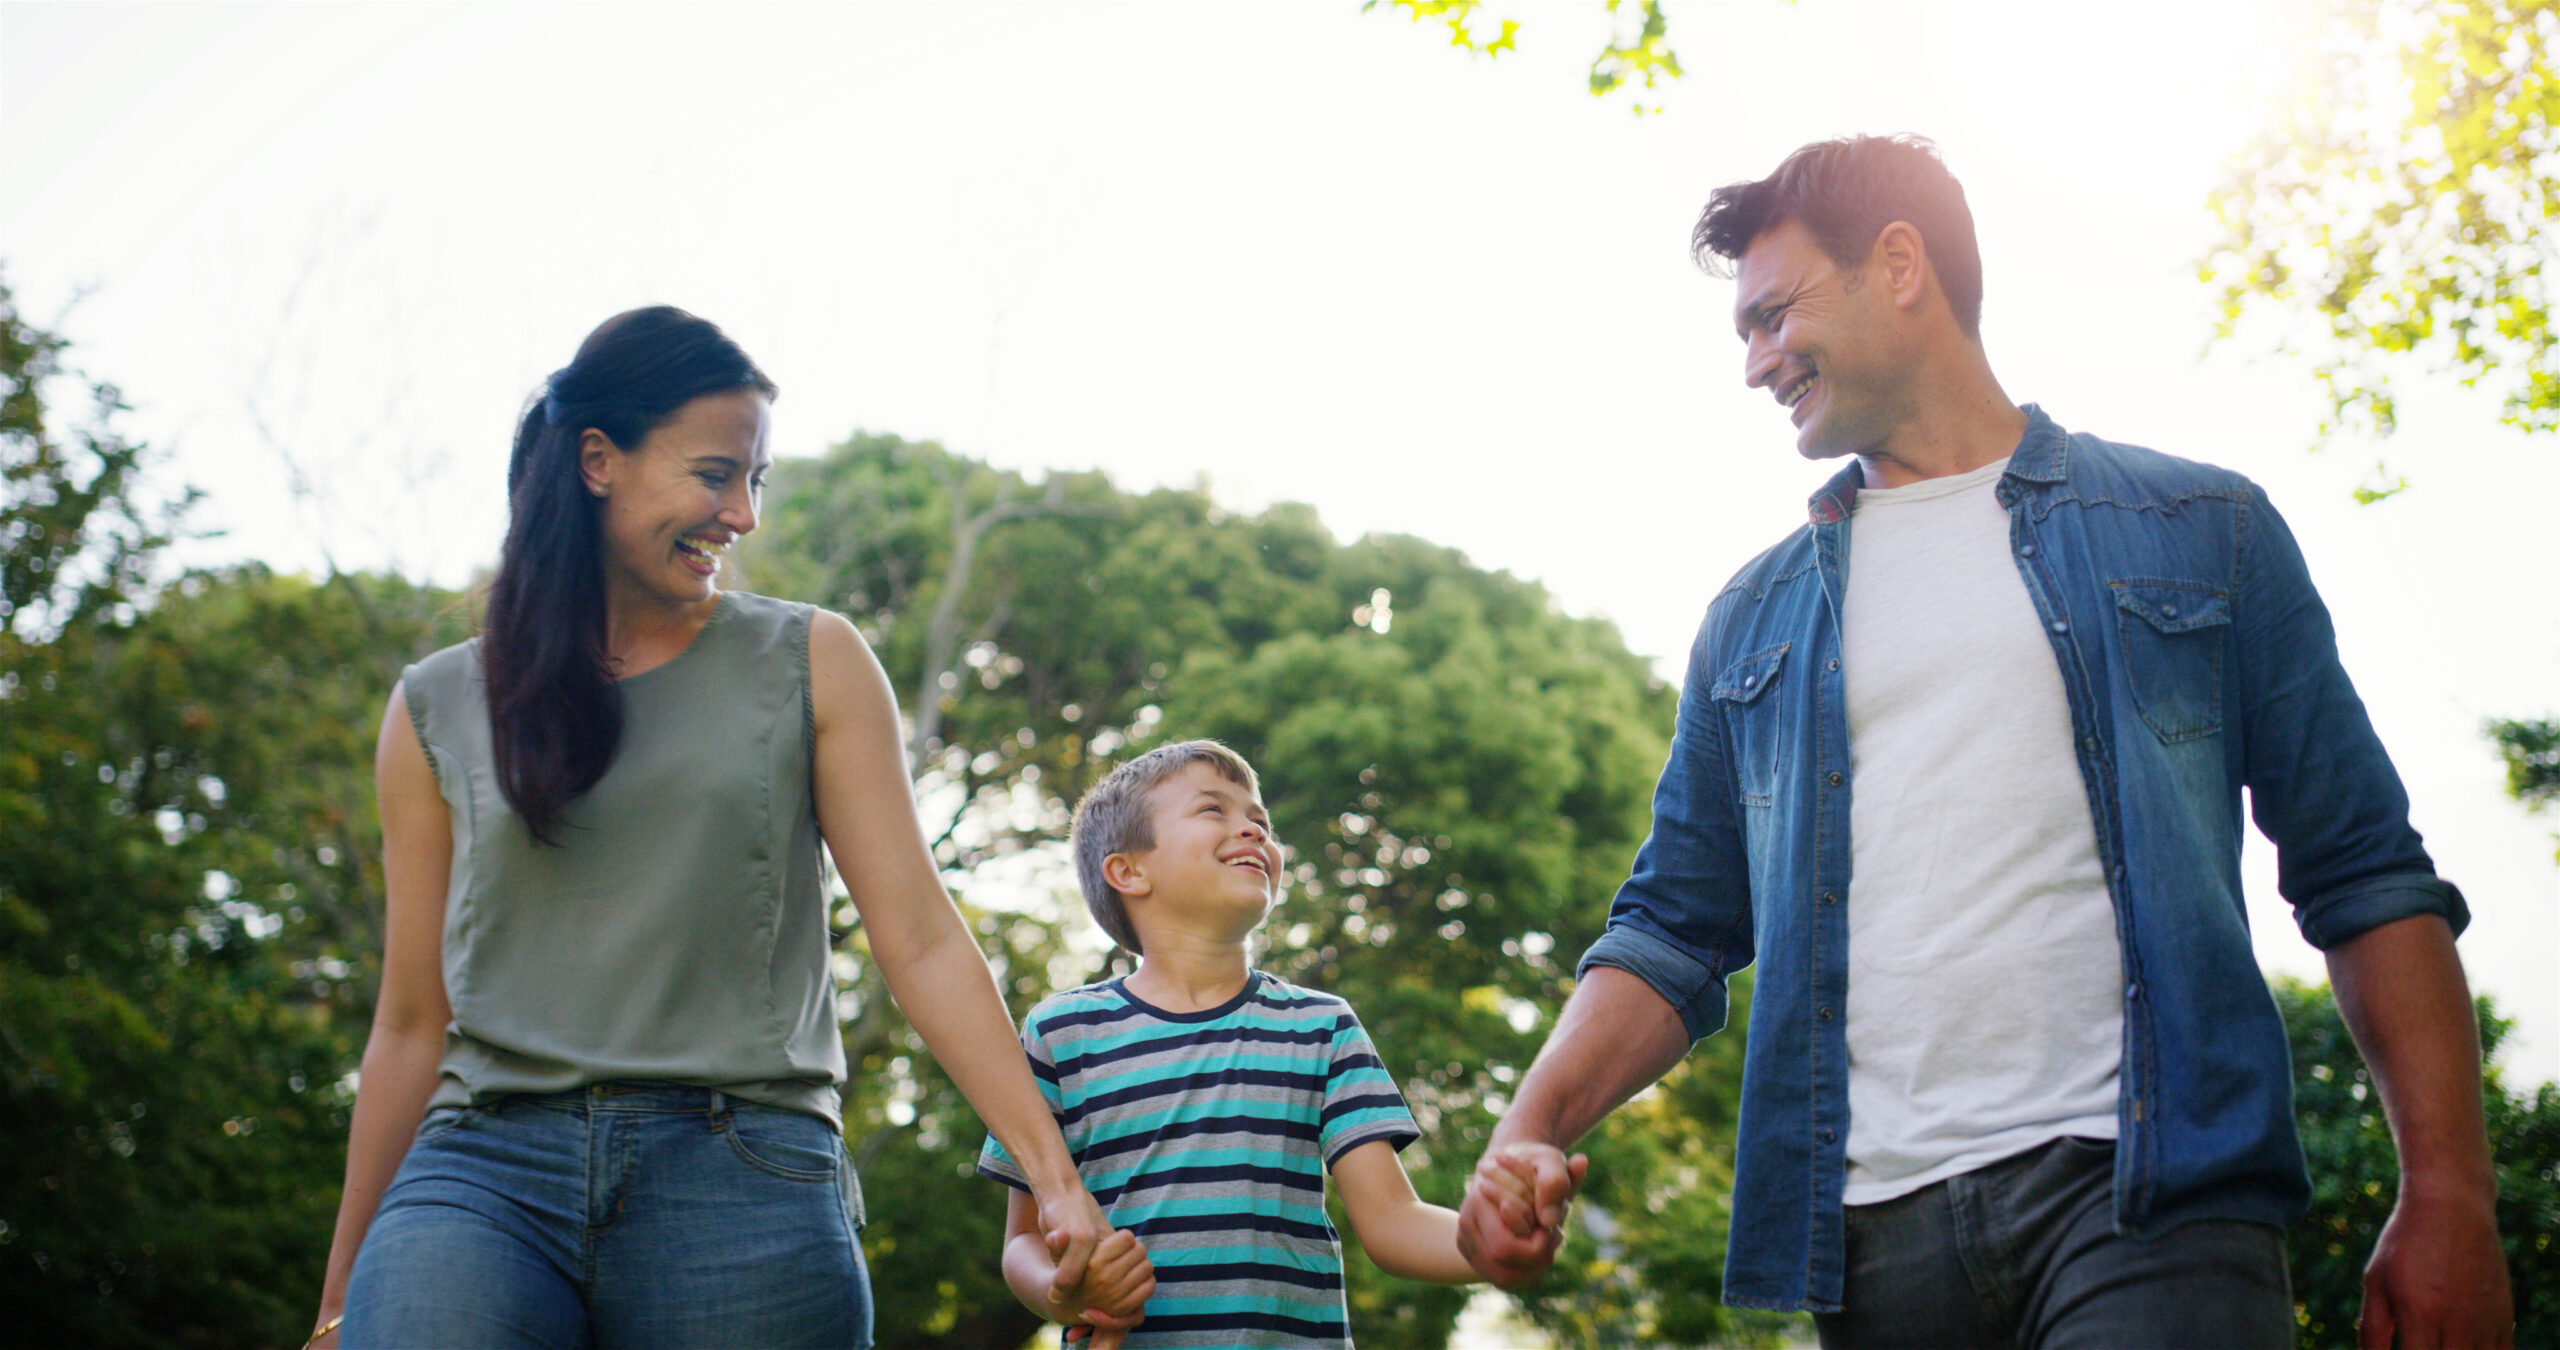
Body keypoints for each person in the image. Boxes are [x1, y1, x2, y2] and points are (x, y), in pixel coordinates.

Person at [1458, 136, 2512, 1348]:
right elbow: (1670, 929)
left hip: (2150, 1203)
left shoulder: (2197, 531)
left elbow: (2362, 871)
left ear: (1898, 264)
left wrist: (2446, 1196)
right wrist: (1527, 1128)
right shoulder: (1753, 622)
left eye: (1771, 315)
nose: (1754, 363)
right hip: (1869, 1246)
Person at [306, 306, 1143, 1349]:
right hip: (482, 1174)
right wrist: (342, 1296)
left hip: (739, 1171)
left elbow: (920, 938)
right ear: (598, 461)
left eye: (757, 480)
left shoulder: (810, 662)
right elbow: (408, 1021)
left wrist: (1056, 1184)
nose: (742, 513)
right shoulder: (436, 705)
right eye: (715, 474)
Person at [978, 740, 1482, 1348]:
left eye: (1260, 822)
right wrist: (1064, 1291)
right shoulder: (1060, 1034)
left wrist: (1491, 1244)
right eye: (1214, 810)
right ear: (1129, 870)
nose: (1251, 830)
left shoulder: (1323, 1027)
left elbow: (1393, 1222)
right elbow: (1023, 1242)